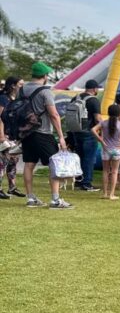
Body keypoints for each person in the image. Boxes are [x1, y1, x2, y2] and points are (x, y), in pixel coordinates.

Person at [19, 62, 72, 209]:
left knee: (29, 164)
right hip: (43, 133)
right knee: (54, 164)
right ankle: (55, 200)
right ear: (44, 76)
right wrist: (61, 136)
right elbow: (54, 115)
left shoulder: (22, 90)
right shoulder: (45, 91)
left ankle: (31, 198)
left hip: (26, 133)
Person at [91, 104, 120, 200]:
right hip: (117, 150)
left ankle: (105, 193)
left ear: (108, 113)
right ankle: (112, 194)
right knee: (115, 172)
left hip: (106, 149)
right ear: (119, 114)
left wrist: (100, 140)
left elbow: (93, 129)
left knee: (105, 171)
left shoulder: (103, 123)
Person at [69, 80, 102, 192]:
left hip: (76, 131)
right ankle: (86, 183)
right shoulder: (93, 100)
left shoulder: (75, 98)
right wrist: (102, 130)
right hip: (89, 132)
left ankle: (78, 181)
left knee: (79, 157)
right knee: (89, 158)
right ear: (95, 89)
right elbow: (97, 118)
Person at [0, 76, 25, 198]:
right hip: (4, 135)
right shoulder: (3, 99)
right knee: (3, 161)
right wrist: (1, 136)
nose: (22, 87)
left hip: (13, 134)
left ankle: (12, 187)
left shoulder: (18, 99)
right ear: (13, 85)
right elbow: (0, 118)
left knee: (13, 161)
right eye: (20, 84)